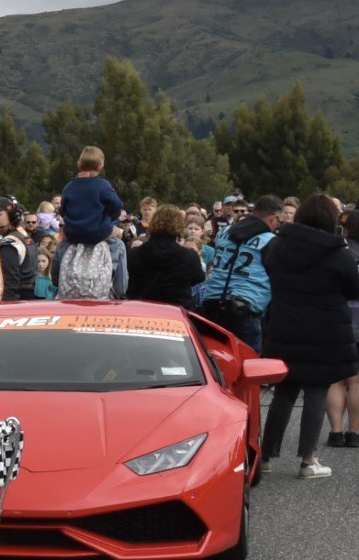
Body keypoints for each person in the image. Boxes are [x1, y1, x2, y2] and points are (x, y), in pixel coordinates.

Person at [257, 194, 359, 479]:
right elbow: (353, 289)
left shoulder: (277, 246)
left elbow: (269, 270)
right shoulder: (337, 253)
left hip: (284, 326)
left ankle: (266, 455)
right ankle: (308, 460)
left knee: (284, 392)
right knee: (316, 391)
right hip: (325, 331)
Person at [199, 194, 283, 351]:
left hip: (211, 302)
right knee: (248, 366)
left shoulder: (224, 232)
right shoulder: (271, 241)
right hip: (245, 308)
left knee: (213, 360)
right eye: (279, 221)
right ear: (273, 219)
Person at [54, 147, 126, 300]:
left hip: (72, 235)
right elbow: (117, 207)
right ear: (101, 166)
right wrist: (109, 218)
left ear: (78, 164)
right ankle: (121, 291)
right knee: (120, 242)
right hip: (98, 233)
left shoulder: (69, 186)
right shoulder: (103, 185)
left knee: (60, 246)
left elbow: (63, 210)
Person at [126, 206, 205, 307]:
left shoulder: (134, 253)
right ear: (179, 225)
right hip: (175, 313)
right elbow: (199, 278)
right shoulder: (190, 256)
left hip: (141, 311)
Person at [331, 212, 359, 448]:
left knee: (336, 379)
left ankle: (335, 432)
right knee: (357, 381)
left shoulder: (337, 251)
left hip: (337, 319)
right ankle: (354, 432)